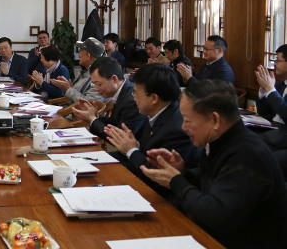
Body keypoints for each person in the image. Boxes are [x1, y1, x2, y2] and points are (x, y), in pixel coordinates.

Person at [141, 80, 287, 249]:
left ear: (215, 120)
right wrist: (182, 171)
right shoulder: (221, 140)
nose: (183, 127)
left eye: (187, 120)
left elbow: (216, 215)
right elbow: (212, 182)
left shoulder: (247, 153)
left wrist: (175, 181)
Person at [105, 63, 196, 198]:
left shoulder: (177, 129)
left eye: (136, 93)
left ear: (154, 98)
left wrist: (131, 150)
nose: (134, 97)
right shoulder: (158, 114)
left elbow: (157, 177)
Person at [73, 57, 147, 140]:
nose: (96, 89)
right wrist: (95, 116)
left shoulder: (132, 99)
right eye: (94, 84)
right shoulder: (123, 90)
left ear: (114, 79)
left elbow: (119, 138)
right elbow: (114, 123)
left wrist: (92, 119)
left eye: (99, 84)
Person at [254, 44, 287, 177]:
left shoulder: (275, 86)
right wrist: (263, 91)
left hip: (283, 134)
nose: (274, 63)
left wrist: (271, 90)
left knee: (249, 145)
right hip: (271, 128)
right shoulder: (280, 84)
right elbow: (263, 112)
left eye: (278, 60)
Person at [50, 37, 104, 104]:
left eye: (80, 51)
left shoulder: (99, 77)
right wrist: (67, 88)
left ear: (88, 55)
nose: (79, 54)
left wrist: (68, 89)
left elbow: (89, 103)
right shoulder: (86, 71)